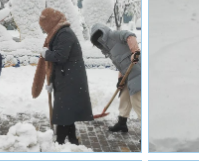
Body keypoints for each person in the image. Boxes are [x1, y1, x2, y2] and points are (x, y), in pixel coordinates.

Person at [32, 8, 93, 145]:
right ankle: (71, 138)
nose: (44, 29)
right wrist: (51, 80)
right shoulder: (59, 32)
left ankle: (60, 140)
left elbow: (60, 56)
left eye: (44, 26)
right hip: (66, 76)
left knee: (62, 109)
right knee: (66, 109)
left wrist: (46, 54)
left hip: (70, 78)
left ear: (50, 23)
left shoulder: (64, 34)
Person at [90, 23, 141, 134]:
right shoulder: (109, 50)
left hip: (138, 73)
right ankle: (122, 123)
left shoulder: (114, 35)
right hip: (128, 76)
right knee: (124, 98)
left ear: (103, 33)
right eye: (96, 40)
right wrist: (120, 79)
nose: (99, 40)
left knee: (137, 102)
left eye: (99, 36)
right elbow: (121, 65)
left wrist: (135, 52)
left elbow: (130, 35)